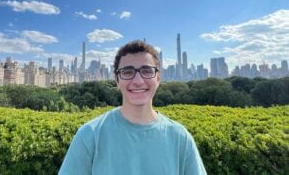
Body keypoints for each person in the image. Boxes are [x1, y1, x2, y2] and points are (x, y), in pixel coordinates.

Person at [59, 40, 207, 175]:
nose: (138, 81)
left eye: (147, 71)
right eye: (127, 72)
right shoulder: (90, 135)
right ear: (117, 80)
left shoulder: (180, 137)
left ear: (158, 78)